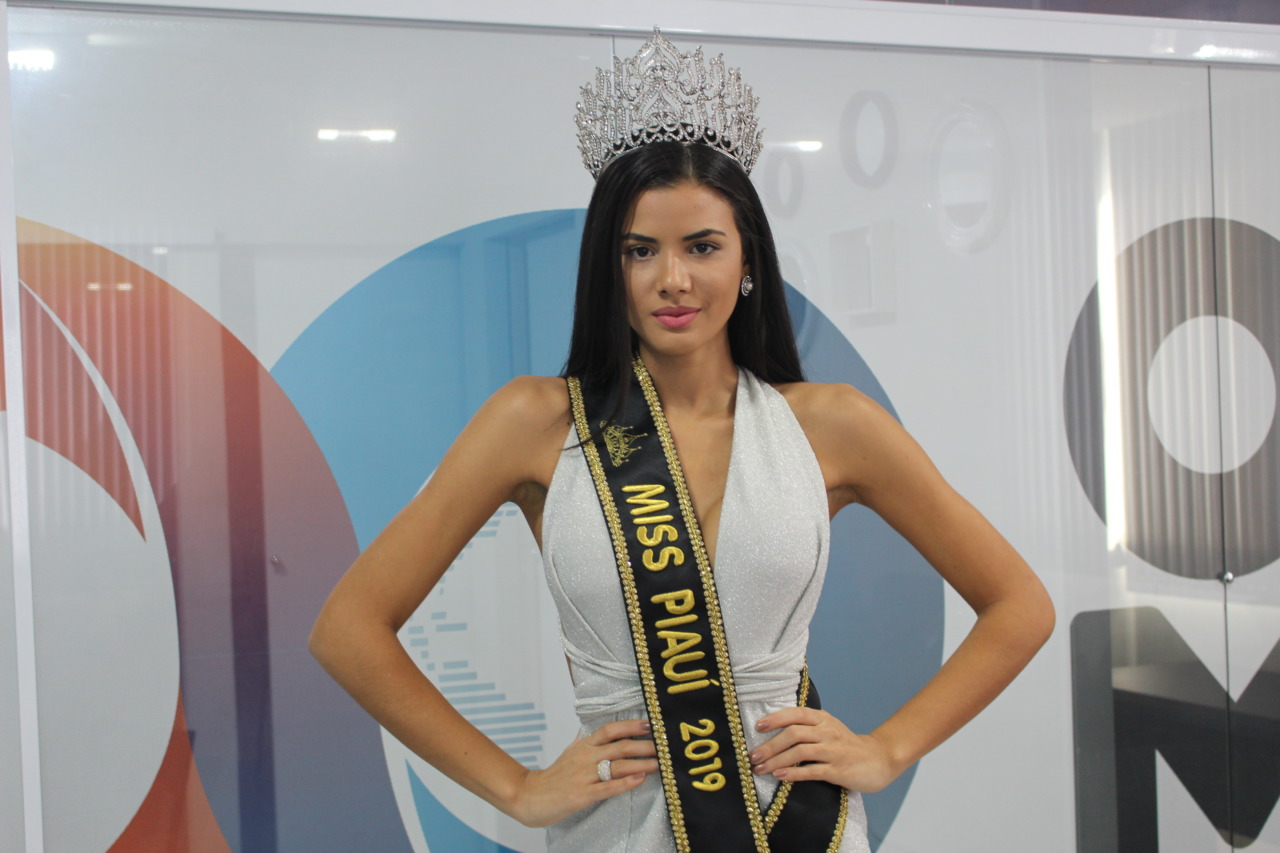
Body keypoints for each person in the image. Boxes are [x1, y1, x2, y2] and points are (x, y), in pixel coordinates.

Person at [310, 29, 1054, 853]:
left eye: (702, 246)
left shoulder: (832, 424)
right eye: (641, 251)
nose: (673, 279)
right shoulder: (535, 422)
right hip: (617, 827)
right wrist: (516, 787)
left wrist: (888, 748)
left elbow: (1019, 605)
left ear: (748, 262)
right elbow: (349, 628)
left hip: (795, 824)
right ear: (610, 268)